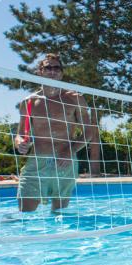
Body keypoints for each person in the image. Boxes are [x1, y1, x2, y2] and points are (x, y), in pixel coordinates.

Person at [14, 54, 100, 212]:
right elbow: (20, 134)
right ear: (40, 71)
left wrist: (70, 151)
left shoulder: (75, 98)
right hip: (37, 161)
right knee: (24, 213)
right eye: (48, 67)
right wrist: (20, 144)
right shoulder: (29, 102)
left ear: (61, 73)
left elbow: (88, 132)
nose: (52, 71)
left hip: (65, 161)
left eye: (56, 68)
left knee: (59, 215)